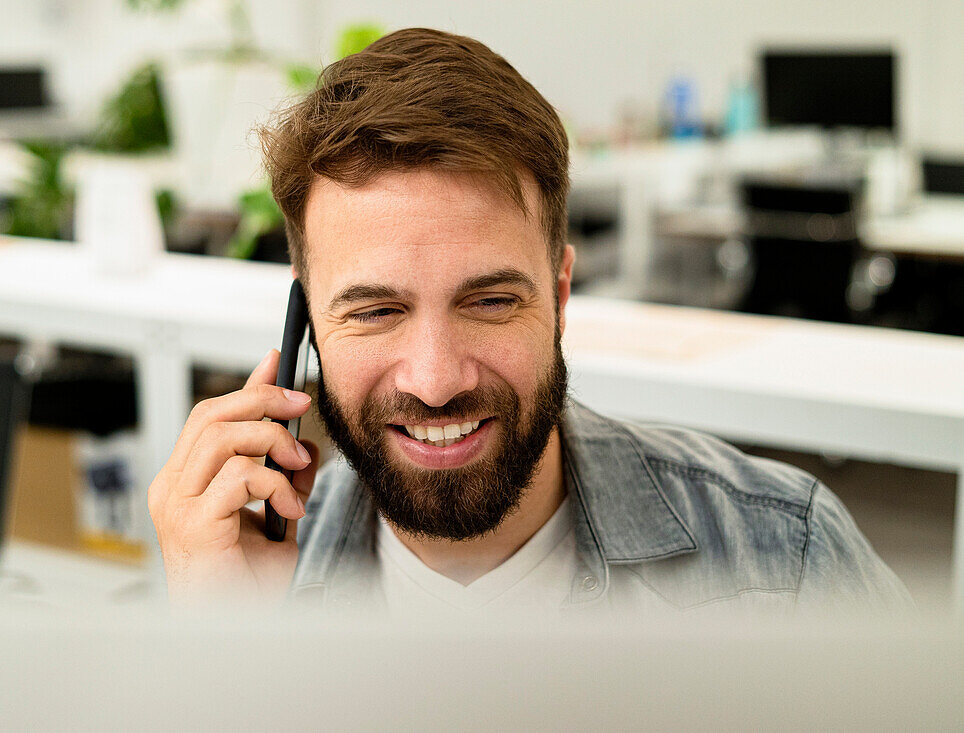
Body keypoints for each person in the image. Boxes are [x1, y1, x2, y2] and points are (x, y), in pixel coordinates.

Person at [147, 28, 911, 618]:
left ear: (561, 295)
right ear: (307, 325)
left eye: (489, 302)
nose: (437, 379)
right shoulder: (245, 574)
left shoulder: (787, 562)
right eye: (377, 311)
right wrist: (233, 652)